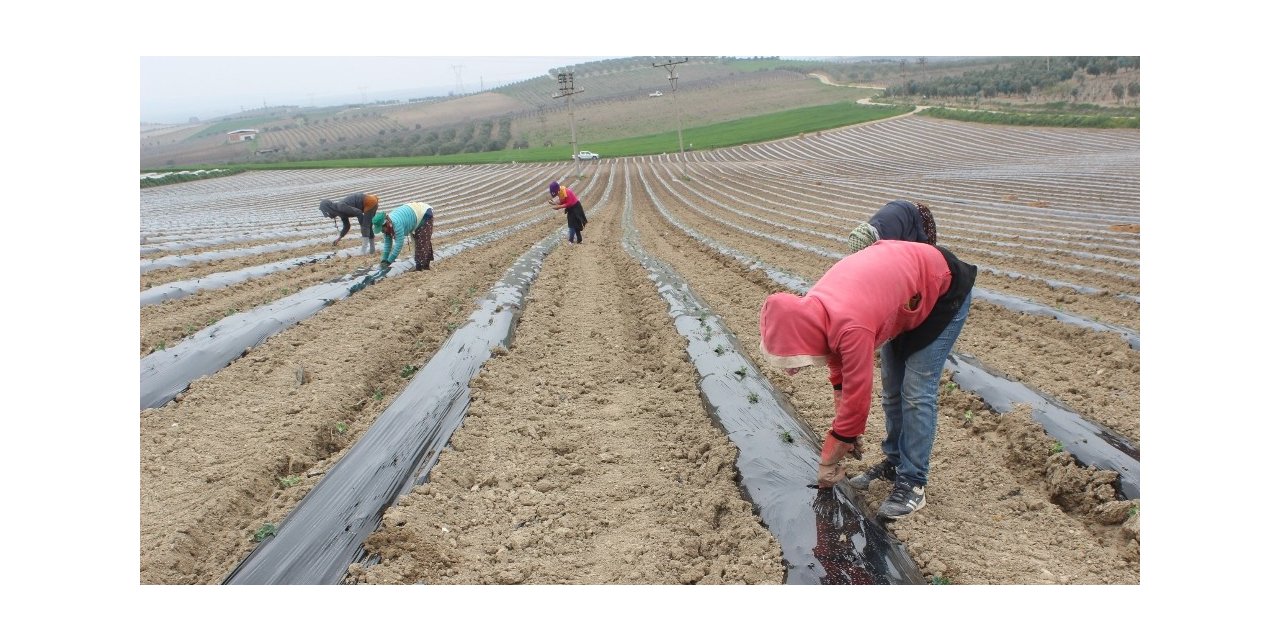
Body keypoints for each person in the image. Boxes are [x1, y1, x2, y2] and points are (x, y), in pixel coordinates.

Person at [758, 240, 976, 520]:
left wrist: (830, 457)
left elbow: (858, 397)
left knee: (916, 390)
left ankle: (914, 483)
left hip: (942, 289)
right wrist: (846, 436)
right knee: (892, 390)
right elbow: (840, 372)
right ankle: (895, 462)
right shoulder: (815, 311)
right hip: (904, 294)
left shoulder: (851, 325)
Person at [846, 200, 937, 254]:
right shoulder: (870, 229)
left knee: (922, 252)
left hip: (915, 214)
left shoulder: (887, 237)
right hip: (898, 208)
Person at [370, 202, 434, 272]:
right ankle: (424, 265)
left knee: (421, 242)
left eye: (382, 229)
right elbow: (387, 244)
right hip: (413, 214)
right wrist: (384, 260)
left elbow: (399, 245)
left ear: (386, 224)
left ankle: (421, 268)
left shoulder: (396, 224)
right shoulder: (387, 227)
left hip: (423, 213)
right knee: (419, 242)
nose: (382, 231)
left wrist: (388, 262)